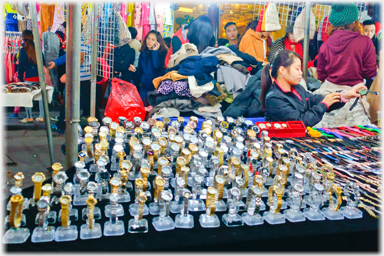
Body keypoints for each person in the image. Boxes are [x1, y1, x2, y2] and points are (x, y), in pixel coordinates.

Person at [260, 50, 366, 127]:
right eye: (297, 69)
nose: (301, 73)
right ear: (282, 70)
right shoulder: (274, 98)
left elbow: (316, 100)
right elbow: (300, 122)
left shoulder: (297, 89)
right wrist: (323, 105)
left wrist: (345, 95)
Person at [316, 3, 377, 127]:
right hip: (355, 100)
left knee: (327, 137)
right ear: (355, 21)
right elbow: (370, 72)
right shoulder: (365, 42)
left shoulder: (326, 45)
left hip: (330, 97)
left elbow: (321, 75)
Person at [128, 30, 168, 106]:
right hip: (143, 89)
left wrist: (155, 51)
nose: (149, 41)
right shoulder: (142, 54)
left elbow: (156, 66)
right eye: (148, 38)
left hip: (156, 90)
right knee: (142, 111)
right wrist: (135, 70)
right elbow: (140, 72)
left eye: (153, 39)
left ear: (158, 42)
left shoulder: (162, 54)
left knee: (153, 114)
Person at [17, 30, 46, 123]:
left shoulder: (23, 50)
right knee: (41, 97)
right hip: (39, 76)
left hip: (29, 77)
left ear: (23, 38)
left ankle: (29, 116)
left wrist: (20, 77)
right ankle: (42, 116)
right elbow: (43, 63)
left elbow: (21, 65)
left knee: (28, 97)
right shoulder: (38, 48)